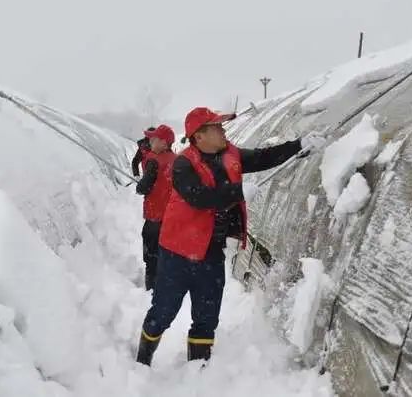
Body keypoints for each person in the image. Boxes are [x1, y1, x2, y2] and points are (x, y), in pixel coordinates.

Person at [135, 107, 325, 365]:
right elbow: (199, 197)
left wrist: (298, 146)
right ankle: (142, 361)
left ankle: (198, 369)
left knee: (206, 317)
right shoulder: (183, 164)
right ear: (199, 136)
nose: (223, 130)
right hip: (177, 254)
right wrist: (238, 192)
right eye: (216, 127)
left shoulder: (230, 154)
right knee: (163, 312)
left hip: (211, 252)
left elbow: (263, 157)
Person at [135, 124, 177, 291]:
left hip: (155, 218)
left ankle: (151, 288)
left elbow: (143, 188)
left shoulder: (154, 161)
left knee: (151, 256)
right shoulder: (177, 160)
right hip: (171, 218)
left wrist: (140, 185)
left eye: (154, 139)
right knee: (167, 253)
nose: (150, 141)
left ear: (164, 143)